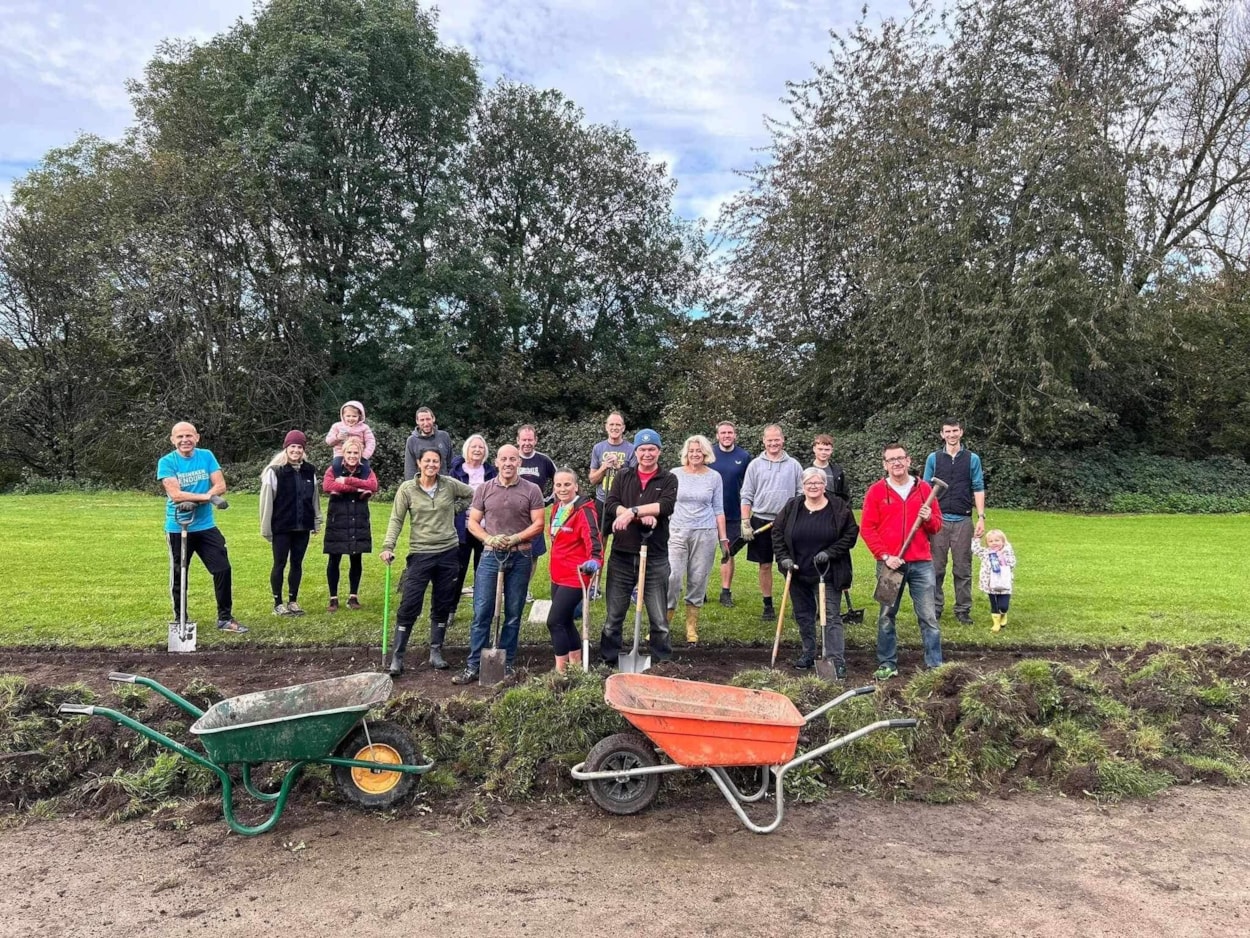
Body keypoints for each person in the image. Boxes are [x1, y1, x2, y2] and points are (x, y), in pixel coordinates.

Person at [452, 445, 546, 684]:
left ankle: (507, 665)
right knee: (482, 612)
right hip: (490, 556)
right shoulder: (484, 489)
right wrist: (488, 538)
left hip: (521, 556)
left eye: (512, 459)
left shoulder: (532, 489)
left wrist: (516, 538)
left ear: (519, 463)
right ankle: (474, 665)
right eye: (503, 459)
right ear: (497, 462)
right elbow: (472, 522)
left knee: (513, 614)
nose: (508, 463)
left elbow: (538, 524)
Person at [380, 449, 475, 674]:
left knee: (442, 603)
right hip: (420, 553)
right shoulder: (407, 489)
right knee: (409, 604)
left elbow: (471, 494)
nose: (431, 465)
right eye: (427, 461)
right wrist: (387, 547)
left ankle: (436, 652)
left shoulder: (449, 484)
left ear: (440, 464)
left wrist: (455, 509)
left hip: (449, 552)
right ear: (419, 463)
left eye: (435, 461)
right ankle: (398, 657)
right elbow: (396, 519)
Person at [861, 443, 943, 680]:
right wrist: (885, 556)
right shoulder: (876, 491)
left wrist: (928, 519)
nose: (896, 463)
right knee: (887, 615)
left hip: (921, 562)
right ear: (885, 465)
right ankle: (888, 663)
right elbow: (867, 528)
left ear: (908, 461)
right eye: (890, 460)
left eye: (900, 458)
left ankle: (934, 665)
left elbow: (936, 526)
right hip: (890, 565)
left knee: (928, 616)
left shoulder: (925, 489)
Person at [156, 421, 247, 633]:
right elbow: (176, 495)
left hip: (205, 526)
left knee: (222, 568)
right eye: (179, 437)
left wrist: (196, 500)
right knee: (180, 574)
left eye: (189, 435)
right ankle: (182, 619)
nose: (184, 440)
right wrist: (208, 497)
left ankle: (225, 618)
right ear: (173, 440)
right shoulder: (167, 462)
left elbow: (221, 485)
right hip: (179, 526)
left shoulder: (206, 456)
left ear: (197, 437)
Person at [600, 429, 679, 665]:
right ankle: (609, 660)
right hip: (622, 555)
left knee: (658, 617)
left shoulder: (668, 479)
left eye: (652, 449)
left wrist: (632, 511)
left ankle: (661, 662)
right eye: (642, 449)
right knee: (614, 615)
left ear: (659, 452)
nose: (647, 454)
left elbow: (665, 506)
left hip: (654, 555)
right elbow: (612, 502)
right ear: (635, 452)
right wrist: (630, 515)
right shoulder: (623, 476)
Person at [772, 467, 859, 673]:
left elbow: (851, 534)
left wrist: (830, 552)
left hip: (827, 572)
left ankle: (835, 659)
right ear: (802, 486)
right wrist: (783, 558)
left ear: (824, 485)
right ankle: (808, 653)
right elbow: (777, 532)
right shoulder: (793, 506)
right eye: (809, 483)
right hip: (798, 572)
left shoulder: (838, 507)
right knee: (803, 615)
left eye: (817, 482)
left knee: (830, 616)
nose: (813, 486)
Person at [923, 418, 987, 625]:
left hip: (963, 519)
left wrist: (981, 518)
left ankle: (963, 610)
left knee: (962, 568)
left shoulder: (972, 459)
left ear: (962, 432)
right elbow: (925, 488)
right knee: (936, 568)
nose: (951, 434)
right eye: (947, 431)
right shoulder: (933, 458)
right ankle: (935, 608)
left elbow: (978, 486)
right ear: (942, 434)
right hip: (938, 520)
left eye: (955, 431)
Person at [666, 435, 728, 644]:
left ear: (706, 454)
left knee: (698, 578)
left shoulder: (714, 477)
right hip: (677, 531)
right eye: (691, 451)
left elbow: (718, 509)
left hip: (705, 532)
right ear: (686, 453)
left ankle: (691, 625)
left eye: (699, 451)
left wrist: (723, 538)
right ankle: (664, 623)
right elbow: (665, 504)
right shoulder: (674, 474)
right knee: (673, 577)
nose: (695, 454)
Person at [739, 425, 804, 622]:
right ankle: (768, 605)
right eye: (770, 440)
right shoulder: (755, 465)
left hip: (787, 522)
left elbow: (801, 494)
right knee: (764, 565)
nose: (773, 443)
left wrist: (794, 516)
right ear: (764, 441)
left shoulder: (793, 465)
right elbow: (746, 495)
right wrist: (745, 521)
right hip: (761, 520)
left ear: (783, 440)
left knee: (790, 565)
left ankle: (797, 603)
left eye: (777, 439)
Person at [545, 468, 603, 672]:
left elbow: (594, 540)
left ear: (576, 486)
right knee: (566, 619)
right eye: (558, 485)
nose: (562, 488)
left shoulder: (584, 510)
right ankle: (576, 665)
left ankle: (560, 671)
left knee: (554, 622)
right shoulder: (557, 508)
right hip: (558, 575)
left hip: (576, 575)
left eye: (567, 484)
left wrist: (595, 561)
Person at [260, 431, 322, 616]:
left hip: (302, 525)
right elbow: (266, 501)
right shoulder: (275, 472)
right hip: (281, 526)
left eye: (300, 447)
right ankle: (278, 603)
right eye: (293, 447)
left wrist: (317, 521)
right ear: (286, 448)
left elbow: (314, 498)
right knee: (279, 563)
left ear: (304, 450)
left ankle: (293, 601)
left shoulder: (309, 471)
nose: (296, 450)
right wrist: (266, 528)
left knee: (297, 563)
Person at [322, 437, 377, 612]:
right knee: (334, 557)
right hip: (337, 518)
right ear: (343, 453)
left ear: (360, 454)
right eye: (349, 452)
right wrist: (359, 490)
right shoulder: (334, 468)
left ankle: (353, 596)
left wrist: (346, 482)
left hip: (358, 518)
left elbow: (373, 485)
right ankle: (333, 598)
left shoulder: (366, 469)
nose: (352, 456)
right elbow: (327, 485)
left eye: (356, 452)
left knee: (356, 557)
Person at [448, 434, 497, 621]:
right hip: (461, 527)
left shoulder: (491, 472)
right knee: (457, 570)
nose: (477, 450)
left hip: (485, 529)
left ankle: (481, 611)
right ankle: (450, 610)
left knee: (483, 571)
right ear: (466, 450)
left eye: (481, 447)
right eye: (473, 447)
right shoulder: (455, 472)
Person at [709, 421, 750, 607]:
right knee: (702, 553)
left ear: (735, 435)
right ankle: (699, 589)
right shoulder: (707, 453)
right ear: (717, 435)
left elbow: (749, 486)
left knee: (728, 552)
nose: (726, 435)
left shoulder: (744, 456)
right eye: (723, 432)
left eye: (730, 432)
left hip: (732, 513)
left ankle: (725, 592)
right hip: (707, 512)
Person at [517, 424, 557, 601]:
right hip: (512, 514)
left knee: (533, 553)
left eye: (530, 439)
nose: (527, 443)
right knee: (511, 551)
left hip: (535, 515)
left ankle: (524, 588)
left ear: (535, 441)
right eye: (523, 440)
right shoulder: (510, 457)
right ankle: (509, 587)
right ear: (518, 440)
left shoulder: (544, 460)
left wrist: (547, 500)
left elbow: (560, 479)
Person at [589, 412, 635, 539]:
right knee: (600, 538)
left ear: (623, 428)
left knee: (622, 538)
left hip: (623, 501)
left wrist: (619, 466)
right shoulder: (598, 448)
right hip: (602, 500)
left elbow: (635, 478)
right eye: (612, 424)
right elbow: (592, 479)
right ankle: (600, 560)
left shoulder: (631, 449)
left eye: (618, 425)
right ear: (606, 427)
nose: (615, 427)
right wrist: (603, 468)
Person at [972, 529, 1016, 633]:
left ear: (1003, 541)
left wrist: (1003, 559)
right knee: (994, 604)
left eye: (997, 540)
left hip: (1004, 583)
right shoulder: (986, 553)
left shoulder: (1007, 551)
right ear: (987, 543)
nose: (994, 543)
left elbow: (1013, 563)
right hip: (990, 583)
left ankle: (1003, 613)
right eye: (991, 541)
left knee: (1003, 605)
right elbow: (975, 549)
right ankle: (996, 622)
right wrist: (976, 538)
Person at [403, 406, 454, 481]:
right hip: (422, 486)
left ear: (433, 419)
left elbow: (451, 463)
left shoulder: (444, 436)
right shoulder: (412, 441)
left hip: (444, 485)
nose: (426, 423)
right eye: (422, 420)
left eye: (428, 419)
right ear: (417, 422)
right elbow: (409, 470)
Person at [811, 434, 850, 502]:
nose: (823, 452)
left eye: (827, 450)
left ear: (831, 450)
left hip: (833, 509)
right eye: (820, 449)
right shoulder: (805, 470)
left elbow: (845, 495)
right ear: (814, 449)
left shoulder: (838, 472)